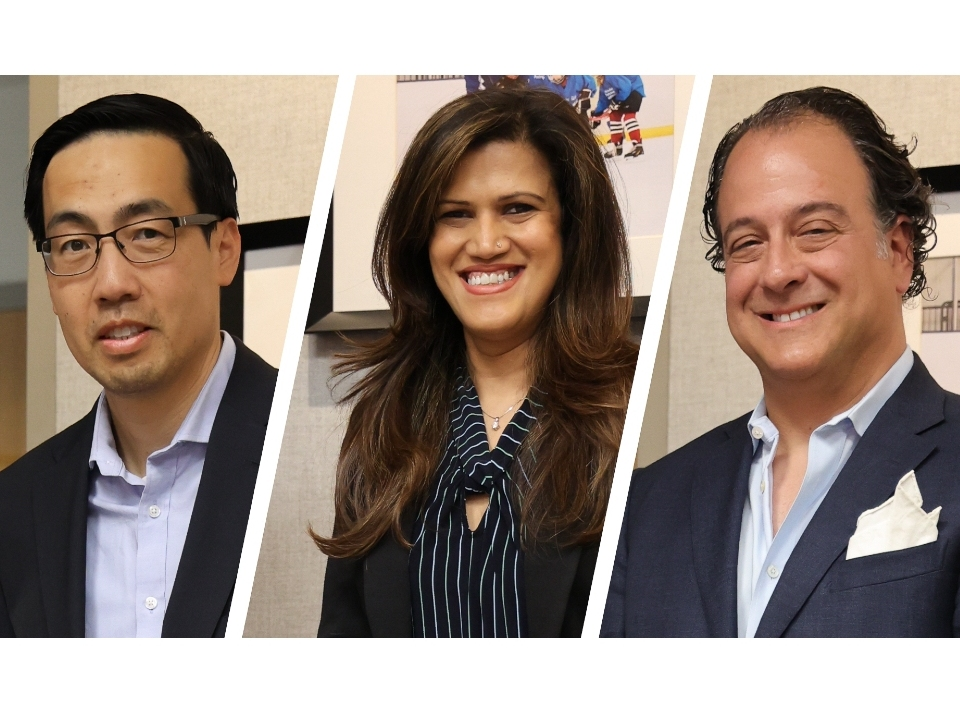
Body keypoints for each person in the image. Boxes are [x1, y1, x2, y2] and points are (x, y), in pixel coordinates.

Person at [602, 86, 960, 637]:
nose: (777, 273)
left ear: (900, 250)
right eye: (746, 243)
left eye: (814, 230)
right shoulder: (647, 504)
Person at [314, 88, 638, 637]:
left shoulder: (628, 410)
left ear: (572, 228)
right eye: (455, 216)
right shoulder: (384, 417)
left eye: (518, 209)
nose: (485, 243)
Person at [0, 93, 277, 637]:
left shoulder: (313, 449)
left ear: (224, 248)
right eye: (75, 245)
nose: (111, 285)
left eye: (147, 233)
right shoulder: (15, 507)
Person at [592, 75, 645, 158]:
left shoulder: (611, 76)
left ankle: (638, 146)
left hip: (634, 91)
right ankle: (617, 147)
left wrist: (617, 101)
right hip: (624, 95)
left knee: (628, 116)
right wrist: (596, 115)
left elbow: (626, 86)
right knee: (614, 116)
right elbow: (603, 100)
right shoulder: (603, 86)